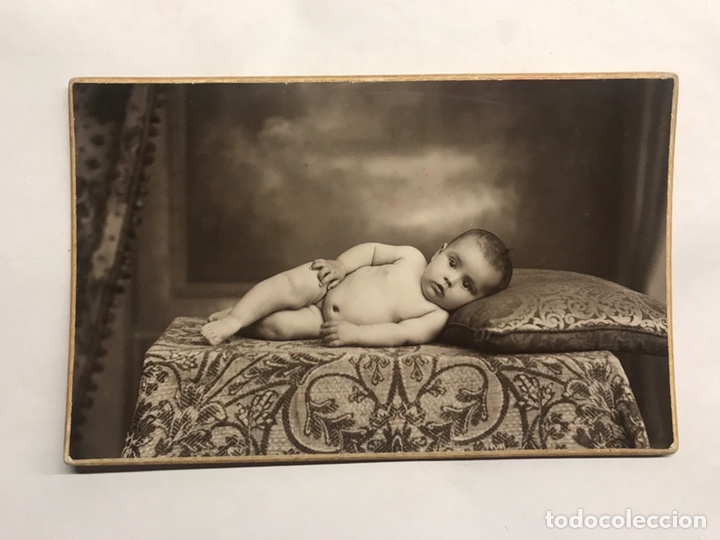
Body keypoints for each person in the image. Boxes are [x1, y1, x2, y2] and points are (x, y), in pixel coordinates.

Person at [201, 229, 512, 347]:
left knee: (278, 327)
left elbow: (398, 335)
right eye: (453, 264)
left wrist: (356, 334)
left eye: (467, 285)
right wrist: (340, 266)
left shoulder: (434, 317)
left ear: (476, 300)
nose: (450, 280)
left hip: (322, 321)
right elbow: (373, 251)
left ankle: (243, 320)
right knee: (290, 284)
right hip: (328, 284)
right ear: (439, 252)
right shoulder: (411, 257)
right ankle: (236, 317)